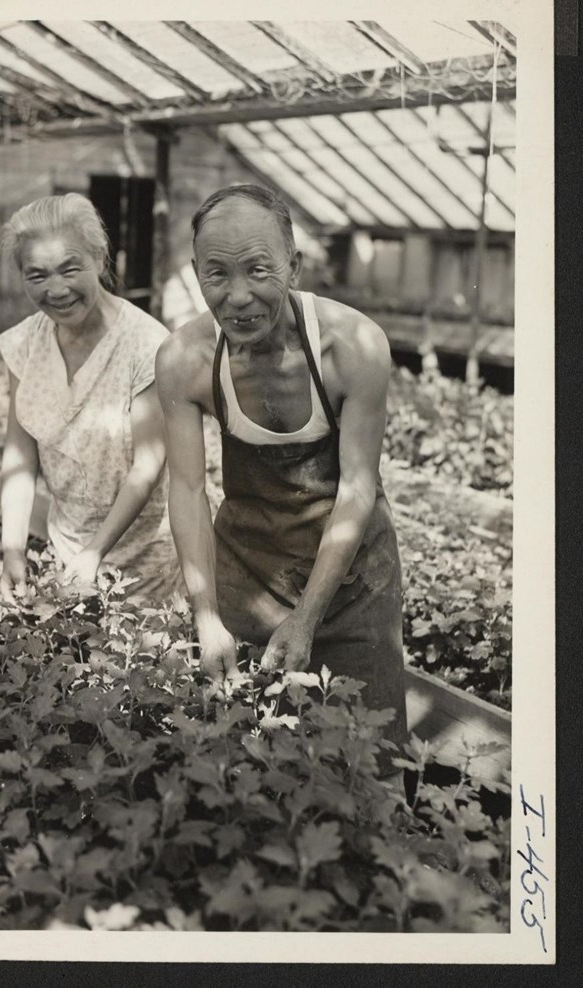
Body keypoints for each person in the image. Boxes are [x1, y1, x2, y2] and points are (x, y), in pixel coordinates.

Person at [155, 184, 407, 777]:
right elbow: (188, 491)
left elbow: (356, 490)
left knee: (369, 765)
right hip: (249, 569)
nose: (238, 296)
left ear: (293, 265)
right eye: (216, 274)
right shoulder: (184, 358)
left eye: (259, 270)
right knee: (245, 762)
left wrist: (308, 617)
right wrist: (206, 616)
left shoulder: (355, 346)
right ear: (195, 274)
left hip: (351, 582)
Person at [0, 192, 181, 603]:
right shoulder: (25, 344)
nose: (56, 289)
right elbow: (19, 456)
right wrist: (12, 547)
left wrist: (95, 554)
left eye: (69, 268)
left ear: (99, 259)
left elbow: (148, 466)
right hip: (65, 551)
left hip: (145, 562)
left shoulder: (146, 344)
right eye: (37, 275)